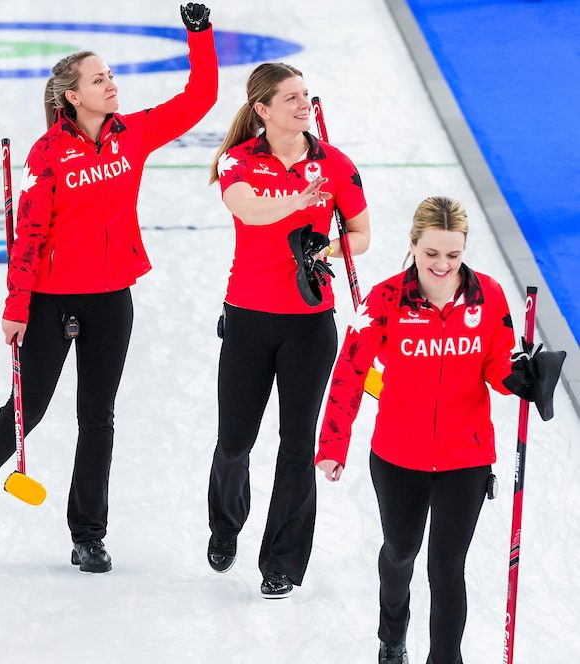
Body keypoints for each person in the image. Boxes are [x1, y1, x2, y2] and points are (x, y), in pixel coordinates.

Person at [0, 3, 218, 573]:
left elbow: (199, 97)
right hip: (51, 302)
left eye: (111, 75)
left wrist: (199, 33)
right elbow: (27, 238)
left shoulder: (135, 135)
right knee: (24, 413)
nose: (112, 84)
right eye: (99, 79)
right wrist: (16, 306)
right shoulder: (48, 155)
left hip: (111, 299)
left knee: (97, 418)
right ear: (73, 96)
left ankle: (88, 536)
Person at [315, 196, 559, 664]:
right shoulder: (385, 299)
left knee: (446, 568)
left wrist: (523, 379)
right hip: (397, 456)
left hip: (465, 458)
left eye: (453, 254)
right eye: (431, 254)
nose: (442, 265)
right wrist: (332, 444)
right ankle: (392, 634)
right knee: (400, 554)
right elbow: (349, 371)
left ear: (464, 249)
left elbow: (495, 367)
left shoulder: (487, 296)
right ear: (413, 245)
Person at [206, 62, 371, 599]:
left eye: (306, 96)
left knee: (297, 444)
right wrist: (297, 202)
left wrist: (329, 248)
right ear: (263, 109)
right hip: (249, 318)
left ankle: (282, 562)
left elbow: (363, 233)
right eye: (291, 97)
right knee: (234, 441)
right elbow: (246, 210)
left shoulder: (335, 164)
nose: (303, 105)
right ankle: (226, 525)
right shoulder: (238, 159)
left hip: (309, 323)